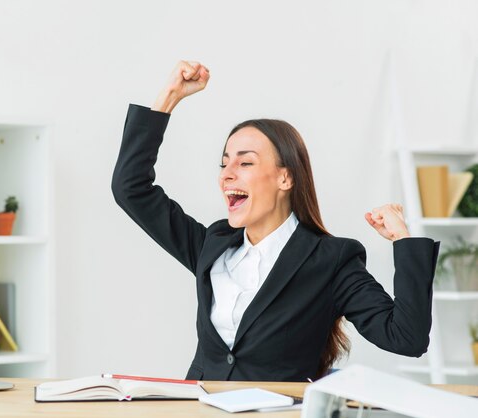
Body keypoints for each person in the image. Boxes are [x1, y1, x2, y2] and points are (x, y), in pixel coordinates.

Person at [111, 61, 439, 382]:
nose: (227, 174)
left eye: (246, 163)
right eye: (224, 164)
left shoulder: (331, 261)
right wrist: (168, 98)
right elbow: (132, 189)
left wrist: (404, 242)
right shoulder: (212, 245)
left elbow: (406, 338)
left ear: (285, 178)